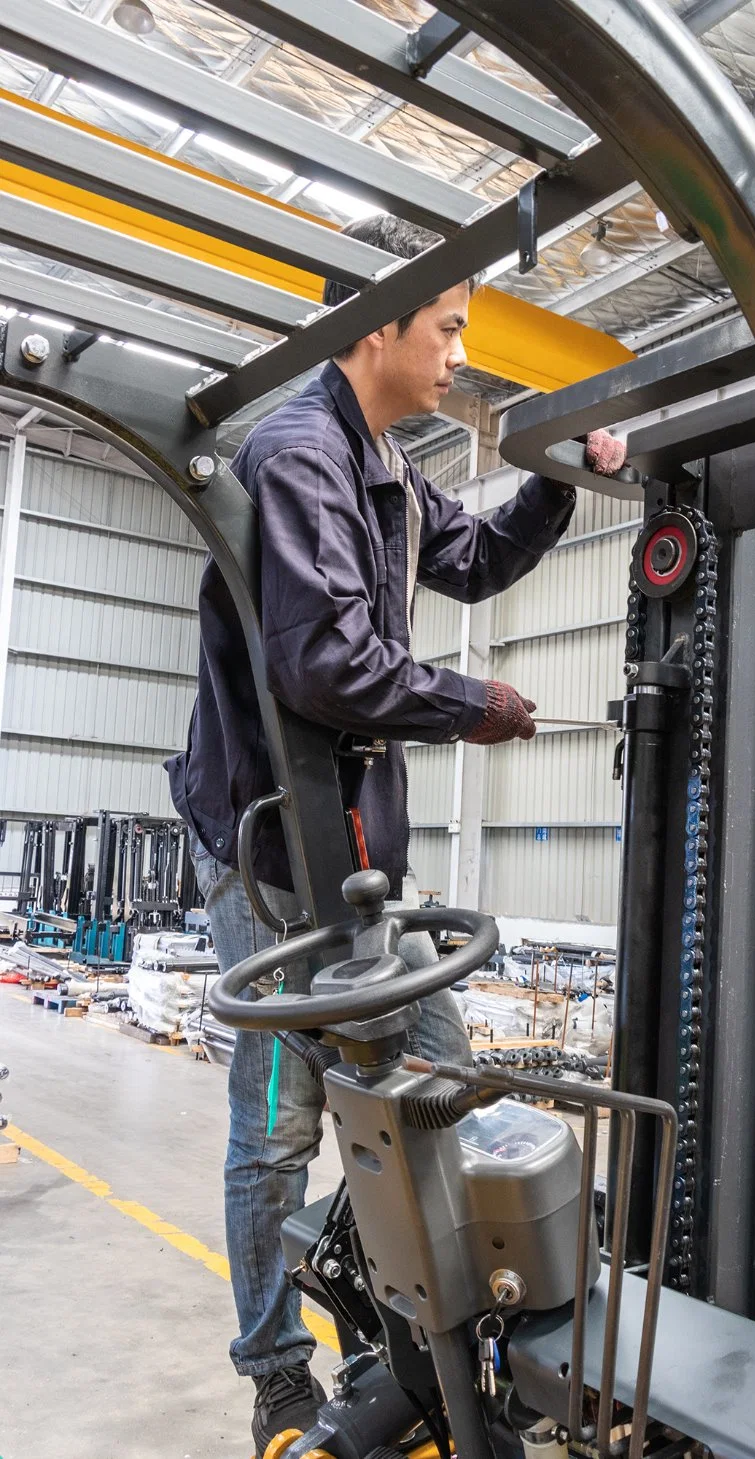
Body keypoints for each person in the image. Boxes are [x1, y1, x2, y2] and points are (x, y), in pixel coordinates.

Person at [166, 213, 625, 1456]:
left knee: (438, 1090)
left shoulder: (384, 462)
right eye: (449, 325)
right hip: (271, 869)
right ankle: (275, 1375)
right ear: (381, 323)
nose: (462, 352)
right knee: (275, 1138)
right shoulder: (302, 453)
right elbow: (321, 662)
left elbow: (466, 558)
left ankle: (410, 1336)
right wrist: (478, 705)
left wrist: (556, 479)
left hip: (360, 859)